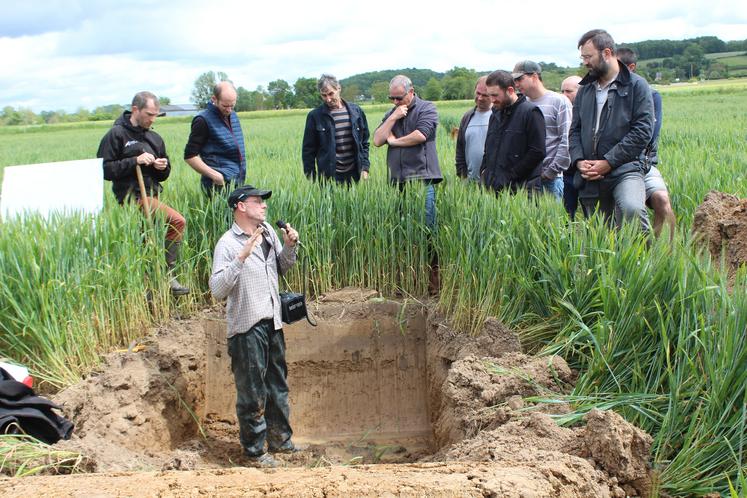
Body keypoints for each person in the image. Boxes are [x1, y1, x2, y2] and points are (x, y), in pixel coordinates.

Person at [208, 185, 302, 468]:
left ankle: (280, 442)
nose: (263, 206)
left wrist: (289, 246)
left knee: (277, 386)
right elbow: (217, 289)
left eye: (263, 201)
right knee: (252, 393)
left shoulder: (269, 234)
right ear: (240, 206)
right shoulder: (228, 244)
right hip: (246, 328)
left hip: (273, 321)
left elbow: (281, 269)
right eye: (257, 201)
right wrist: (241, 257)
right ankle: (254, 452)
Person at [97, 91, 190, 296]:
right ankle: (168, 276)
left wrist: (161, 166)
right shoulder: (116, 135)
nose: (153, 119)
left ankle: (151, 286)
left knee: (148, 242)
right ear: (135, 110)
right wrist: (134, 161)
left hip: (152, 195)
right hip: (132, 198)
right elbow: (104, 169)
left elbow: (164, 175)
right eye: (149, 114)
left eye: (156, 115)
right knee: (177, 221)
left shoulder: (154, 137)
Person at [569, 29, 654, 232]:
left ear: (607, 53)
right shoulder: (585, 90)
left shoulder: (637, 86)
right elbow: (574, 131)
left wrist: (608, 162)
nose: (585, 62)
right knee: (600, 232)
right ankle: (612, 265)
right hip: (590, 172)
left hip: (626, 167)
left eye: (588, 57)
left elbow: (642, 131)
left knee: (632, 209)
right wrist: (579, 161)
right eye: (583, 57)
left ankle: (648, 263)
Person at [373, 75, 443, 293]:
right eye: (391, 98)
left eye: (399, 98)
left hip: (422, 180)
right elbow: (377, 140)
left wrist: (394, 142)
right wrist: (393, 118)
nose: (395, 102)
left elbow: (420, 135)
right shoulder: (392, 113)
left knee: (427, 230)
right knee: (402, 232)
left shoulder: (427, 108)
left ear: (411, 91)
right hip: (398, 183)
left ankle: (433, 283)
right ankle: (408, 279)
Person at [617, 47, 676, 237]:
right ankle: (633, 253)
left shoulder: (651, 95)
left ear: (631, 67)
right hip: (613, 165)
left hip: (643, 163)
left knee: (662, 200)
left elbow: (648, 135)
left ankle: (665, 255)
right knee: (629, 205)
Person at [479, 70, 546, 194]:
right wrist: (484, 172)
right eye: (490, 95)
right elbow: (489, 149)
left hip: (522, 191)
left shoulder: (530, 113)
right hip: (494, 190)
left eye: (495, 95)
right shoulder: (495, 114)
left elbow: (537, 152)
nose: (492, 100)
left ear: (510, 90)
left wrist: (508, 177)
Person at [512, 61, 571, 201]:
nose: (516, 84)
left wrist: (550, 172)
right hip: (525, 179)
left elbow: (567, 139)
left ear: (534, 76)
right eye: (514, 80)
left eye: (520, 79)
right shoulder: (520, 105)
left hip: (550, 180)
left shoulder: (559, 101)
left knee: (552, 222)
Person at [302, 74, 370, 184]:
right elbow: (308, 151)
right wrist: (312, 178)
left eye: (330, 94)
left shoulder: (356, 112)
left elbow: (364, 142)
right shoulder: (315, 116)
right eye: (324, 95)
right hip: (328, 177)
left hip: (355, 175)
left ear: (338, 88)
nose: (328, 99)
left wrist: (365, 167)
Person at [184, 81, 246, 195]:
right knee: (219, 213)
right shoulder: (202, 120)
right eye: (225, 106)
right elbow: (189, 156)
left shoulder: (233, 116)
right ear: (214, 99)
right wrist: (215, 175)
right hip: (216, 185)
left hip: (238, 182)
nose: (229, 110)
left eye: (232, 105)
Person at [455, 76, 493, 181]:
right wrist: (462, 175)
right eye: (478, 93)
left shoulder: (499, 115)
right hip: (470, 182)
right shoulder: (467, 116)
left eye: (485, 95)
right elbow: (460, 148)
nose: (480, 98)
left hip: (493, 184)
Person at [560, 75, 582, 218]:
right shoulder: (560, 109)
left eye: (568, 91)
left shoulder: (587, 112)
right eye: (562, 91)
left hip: (585, 168)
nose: (564, 95)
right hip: (566, 171)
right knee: (566, 213)